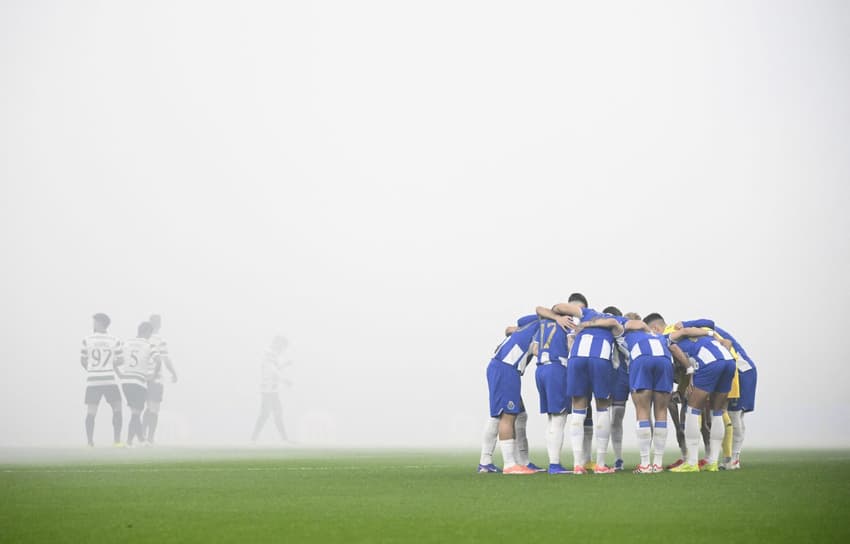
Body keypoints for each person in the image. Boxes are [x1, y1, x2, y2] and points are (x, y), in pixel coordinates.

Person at [541, 297, 626, 474]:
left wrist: (561, 317)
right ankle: (600, 464)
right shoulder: (618, 320)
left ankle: (578, 465)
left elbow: (558, 307)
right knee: (602, 408)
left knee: (578, 410)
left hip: (576, 358)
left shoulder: (586, 313)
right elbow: (622, 324)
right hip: (599, 358)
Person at [646, 313, 736, 473]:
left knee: (692, 411)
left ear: (655, 328)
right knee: (717, 412)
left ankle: (692, 462)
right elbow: (714, 333)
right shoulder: (696, 331)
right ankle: (712, 462)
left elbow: (676, 344)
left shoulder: (665, 336)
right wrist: (712, 335)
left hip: (708, 362)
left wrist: (689, 370)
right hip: (728, 360)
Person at [480, 315, 540, 475]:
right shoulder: (543, 325)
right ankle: (509, 464)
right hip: (506, 368)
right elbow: (535, 348)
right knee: (507, 415)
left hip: (503, 368)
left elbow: (510, 328)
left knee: (517, 415)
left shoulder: (532, 325)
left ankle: (514, 462)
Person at [532, 313, 576, 474]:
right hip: (557, 369)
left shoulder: (543, 324)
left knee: (551, 418)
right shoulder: (567, 322)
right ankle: (555, 464)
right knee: (559, 418)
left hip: (540, 370)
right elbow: (571, 345)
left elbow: (534, 349)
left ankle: (554, 462)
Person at [80, 313, 124, 447]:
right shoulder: (115, 340)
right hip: (109, 379)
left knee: (91, 411)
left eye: (94, 322)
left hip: (93, 380)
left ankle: (89, 442)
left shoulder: (86, 340)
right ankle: (117, 441)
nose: (93, 324)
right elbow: (121, 360)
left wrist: (92, 369)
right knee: (117, 408)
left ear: (100, 323)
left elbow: (83, 360)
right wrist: (109, 364)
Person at [118, 322, 160, 446]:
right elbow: (158, 361)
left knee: (134, 413)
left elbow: (116, 360)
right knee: (136, 413)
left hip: (126, 382)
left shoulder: (126, 343)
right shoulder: (149, 345)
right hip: (139, 382)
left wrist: (119, 373)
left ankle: (138, 440)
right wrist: (153, 375)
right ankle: (133, 441)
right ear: (147, 332)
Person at [251, 336, 294, 443]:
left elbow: (274, 369)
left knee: (274, 413)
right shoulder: (270, 355)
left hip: (271, 390)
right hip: (268, 391)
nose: (283, 350)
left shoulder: (271, 356)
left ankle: (284, 439)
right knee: (268, 414)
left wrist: (284, 365)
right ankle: (254, 439)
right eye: (283, 347)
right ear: (278, 344)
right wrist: (285, 380)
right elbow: (273, 371)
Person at [143, 314, 177, 445]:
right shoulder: (160, 340)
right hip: (156, 378)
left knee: (147, 407)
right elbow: (165, 359)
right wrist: (173, 373)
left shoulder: (143, 339)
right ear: (160, 324)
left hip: (143, 378)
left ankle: (142, 435)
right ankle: (150, 438)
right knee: (154, 408)